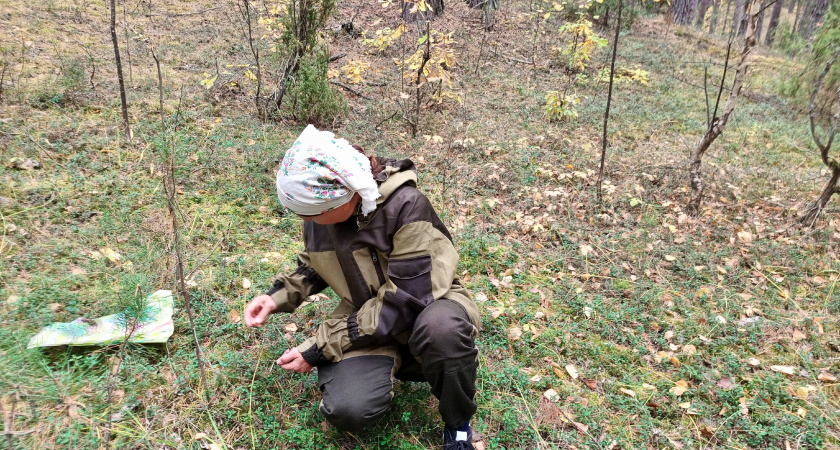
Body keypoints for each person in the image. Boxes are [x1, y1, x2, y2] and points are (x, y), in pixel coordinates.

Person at [243, 125, 480, 449]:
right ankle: (393, 363)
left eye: (307, 211)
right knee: (348, 408)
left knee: (442, 331)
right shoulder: (322, 218)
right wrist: (275, 297)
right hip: (365, 314)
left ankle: (458, 423)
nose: (301, 217)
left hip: (427, 305)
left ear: (343, 197)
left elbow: (406, 301)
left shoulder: (406, 206)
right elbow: (316, 264)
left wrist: (319, 347)